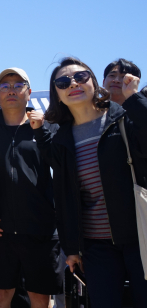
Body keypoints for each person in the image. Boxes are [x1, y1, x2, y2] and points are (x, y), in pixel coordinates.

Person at [32, 57, 147, 307]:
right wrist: (71, 247)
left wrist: (134, 97)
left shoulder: (123, 118)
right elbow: (65, 197)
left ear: (94, 82)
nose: (73, 83)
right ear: (57, 94)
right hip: (96, 247)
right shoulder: (62, 138)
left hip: (140, 237)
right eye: (63, 81)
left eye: (80, 77)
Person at [0, 68, 62, 308]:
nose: (11, 91)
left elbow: (61, 166)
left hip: (40, 229)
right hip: (0, 230)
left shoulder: (46, 127)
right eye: (5, 86)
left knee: (40, 299)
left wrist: (43, 129)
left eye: (18, 85)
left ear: (28, 92)